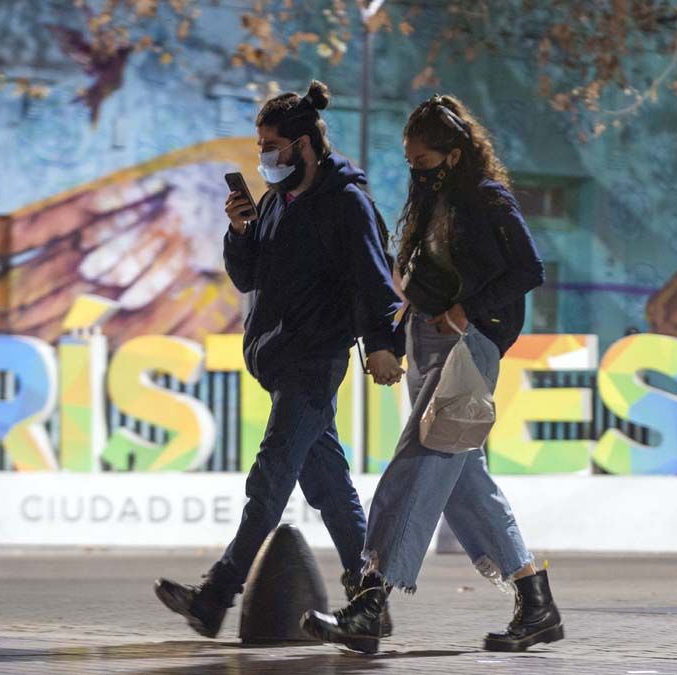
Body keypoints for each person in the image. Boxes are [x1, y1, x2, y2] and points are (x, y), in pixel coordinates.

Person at [301, 94, 561, 654]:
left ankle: (371, 600)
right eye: (410, 161)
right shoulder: (427, 204)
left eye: (423, 160)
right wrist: (391, 343)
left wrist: (469, 311)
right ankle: (537, 604)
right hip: (426, 343)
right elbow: (413, 287)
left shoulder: (489, 200)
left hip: (470, 347)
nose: (415, 170)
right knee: (462, 479)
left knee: (419, 458)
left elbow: (529, 269)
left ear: (455, 153)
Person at [155, 80, 405, 638]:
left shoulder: (347, 203)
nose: (264, 157)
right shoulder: (272, 203)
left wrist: (384, 344)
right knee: (330, 489)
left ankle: (216, 596)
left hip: (315, 358)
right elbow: (249, 277)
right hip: (279, 359)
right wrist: (241, 230)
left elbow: (373, 279)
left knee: (271, 478)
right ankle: (371, 605)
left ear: (306, 144)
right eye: (261, 146)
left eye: (273, 146)